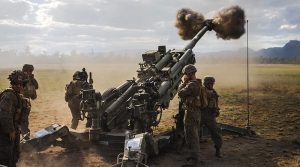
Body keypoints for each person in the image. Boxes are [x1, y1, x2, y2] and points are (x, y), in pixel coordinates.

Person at [178, 64, 207, 167]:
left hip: (191, 113)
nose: (185, 76)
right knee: (192, 135)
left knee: (191, 136)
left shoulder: (192, 85)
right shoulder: (196, 83)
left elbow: (180, 93)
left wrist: (184, 83)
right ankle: (193, 155)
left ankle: (195, 161)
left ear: (190, 74)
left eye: (186, 74)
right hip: (195, 112)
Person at [0, 70, 27, 167]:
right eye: (16, 83)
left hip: (13, 129)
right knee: (6, 157)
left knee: (14, 155)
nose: (19, 86)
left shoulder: (17, 95)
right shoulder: (9, 95)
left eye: (22, 84)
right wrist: (10, 130)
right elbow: (4, 114)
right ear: (12, 83)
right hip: (5, 131)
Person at [201, 76, 223, 158]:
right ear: (206, 83)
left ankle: (218, 149)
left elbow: (215, 104)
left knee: (216, 133)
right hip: (200, 115)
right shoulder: (202, 91)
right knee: (193, 132)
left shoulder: (214, 93)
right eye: (210, 83)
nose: (211, 85)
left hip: (210, 116)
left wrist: (216, 110)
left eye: (212, 83)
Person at [20, 64, 38, 139]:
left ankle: (26, 139)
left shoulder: (31, 79)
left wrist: (32, 79)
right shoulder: (20, 78)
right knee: (21, 121)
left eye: (31, 71)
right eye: (28, 71)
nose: (30, 72)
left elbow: (36, 87)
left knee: (24, 121)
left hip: (26, 102)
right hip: (18, 102)